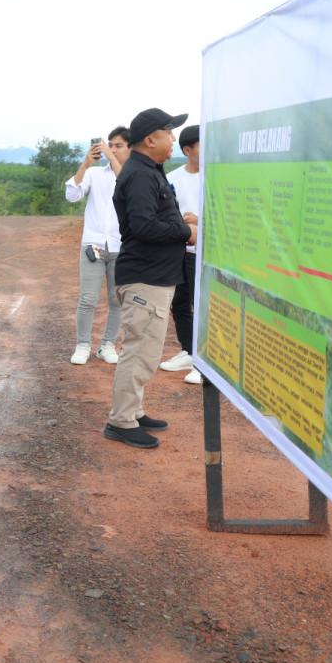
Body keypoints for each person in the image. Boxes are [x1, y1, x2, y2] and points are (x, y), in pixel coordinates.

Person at [103, 108, 195, 449]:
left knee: (144, 349)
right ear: (149, 139)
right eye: (168, 132)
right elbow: (143, 226)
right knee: (139, 352)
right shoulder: (141, 175)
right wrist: (186, 231)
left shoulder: (147, 171)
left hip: (151, 277)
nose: (173, 138)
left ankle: (134, 411)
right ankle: (121, 421)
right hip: (145, 278)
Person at [65, 127, 130, 365]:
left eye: (119, 145)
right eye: (110, 145)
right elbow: (72, 195)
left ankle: (108, 345)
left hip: (121, 246)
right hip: (93, 245)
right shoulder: (95, 174)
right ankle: (83, 345)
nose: (112, 149)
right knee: (88, 298)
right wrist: (84, 164)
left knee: (116, 300)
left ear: (130, 148)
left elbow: (127, 185)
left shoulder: (133, 174)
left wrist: (112, 160)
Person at [160, 125, 203, 385]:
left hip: (205, 252)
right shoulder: (173, 178)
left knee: (203, 306)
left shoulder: (215, 177)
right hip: (179, 250)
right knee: (180, 304)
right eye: (201, 145)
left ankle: (204, 361)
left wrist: (201, 220)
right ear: (187, 150)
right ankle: (189, 351)